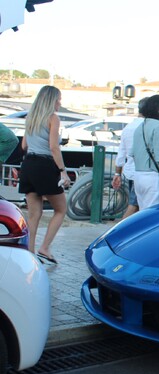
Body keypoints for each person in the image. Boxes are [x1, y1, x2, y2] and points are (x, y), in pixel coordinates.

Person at [18, 85, 70, 263]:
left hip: (29, 165)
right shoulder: (53, 118)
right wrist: (63, 172)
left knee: (34, 214)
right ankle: (45, 248)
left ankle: (29, 252)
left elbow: (24, 145)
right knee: (61, 209)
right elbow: (54, 147)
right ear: (52, 100)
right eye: (58, 98)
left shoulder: (31, 117)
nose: (60, 102)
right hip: (45, 166)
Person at [111, 97, 148, 219]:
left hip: (131, 171)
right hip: (144, 172)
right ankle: (118, 233)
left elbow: (121, 153)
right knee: (134, 206)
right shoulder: (148, 127)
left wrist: (117, 174)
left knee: (136, 206)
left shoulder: (128, 127)